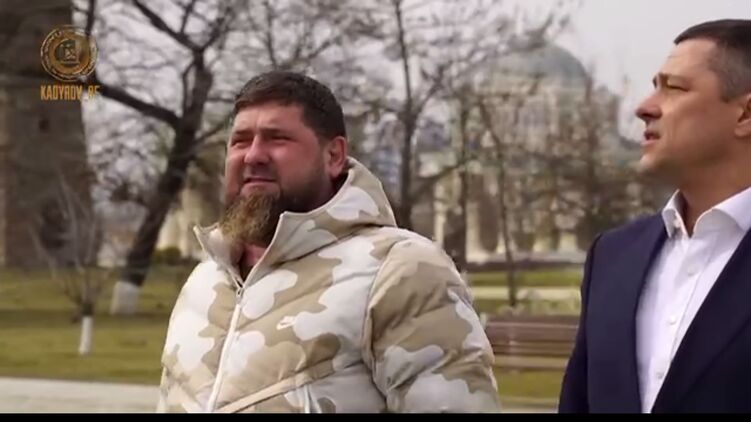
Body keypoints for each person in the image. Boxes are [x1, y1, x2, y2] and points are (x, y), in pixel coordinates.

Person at [156, 71, 501, 413]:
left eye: (277, 138)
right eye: (241, 141)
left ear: (333, 156)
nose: (253, 155)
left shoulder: (400, 270)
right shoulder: (204, 281)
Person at [559, 19, 751, 413]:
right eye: (653, 86)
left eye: (674, 88)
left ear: (745, 114)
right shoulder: (612, 256)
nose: (644, 108)